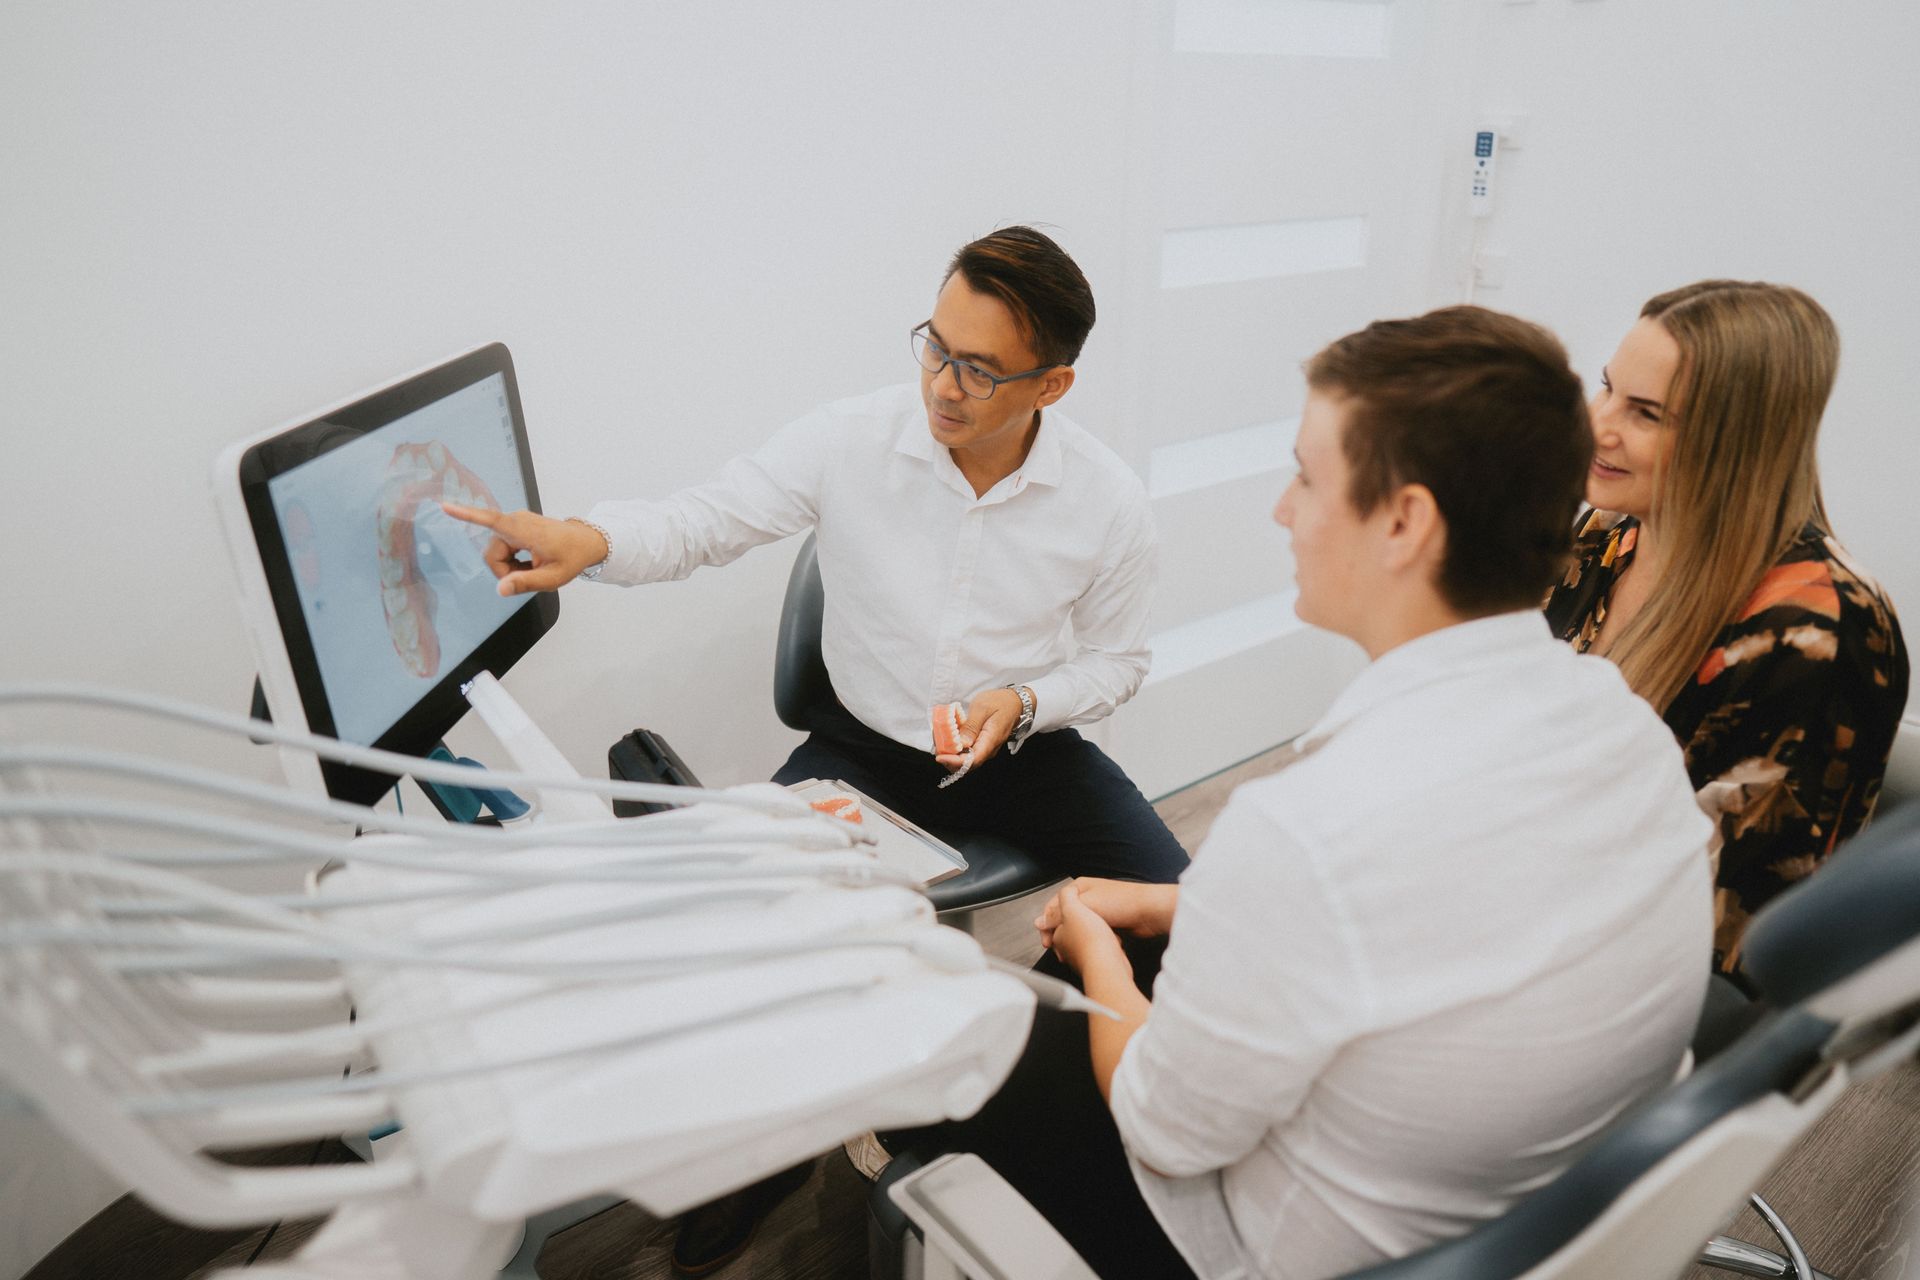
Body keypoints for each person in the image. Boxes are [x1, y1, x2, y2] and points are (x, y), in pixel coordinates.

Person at [444, 225, 1189, 1274]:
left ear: (1052, 383)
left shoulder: (1109, 502)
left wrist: (1023, 698)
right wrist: (592, 541)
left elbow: (1118, 661)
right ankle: (762, 1164)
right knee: (757, 939)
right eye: (935, 345)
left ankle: (1108, 1131)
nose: (944, 383)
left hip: (1027, 749)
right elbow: (705, 520)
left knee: (1187, 912)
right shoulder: (853, 440)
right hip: (864, 749)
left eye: (980, 368)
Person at [927, 307, 1715, 1280]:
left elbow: (1160, 1126)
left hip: (1274, 1248)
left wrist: (1097, 954)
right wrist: (1192, 905)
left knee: (954, 1036)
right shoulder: (1626, 731)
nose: (1282, 509)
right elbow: (1441, 922)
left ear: (1404, 521)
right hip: (1524, 1215)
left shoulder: (1309, 827)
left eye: (1307, 474)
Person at [1543, 281, 1908, 974]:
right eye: (1607, 389)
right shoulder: (1609, 533)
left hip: (1641, 978)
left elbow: (1733, 935)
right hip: (1547, 892)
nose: (1599, 425)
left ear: (1739, 443)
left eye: (1646, 413)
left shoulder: (1821, 635)